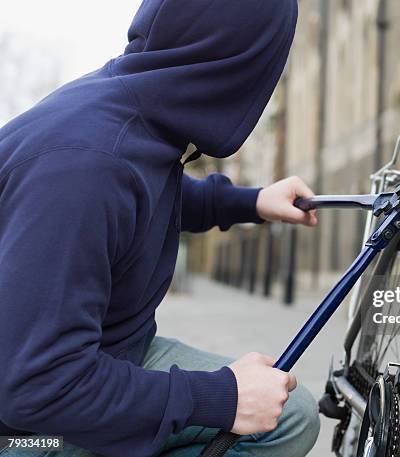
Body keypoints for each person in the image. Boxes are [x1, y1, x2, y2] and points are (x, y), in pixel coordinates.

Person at [0, 0, 320, 456]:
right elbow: (39, 386)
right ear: (240, 64)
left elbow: (142, 200)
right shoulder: (84, 166)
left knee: (289, 415)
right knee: (270, 421)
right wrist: (220, 399)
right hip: (26, 424)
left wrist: (250, 201)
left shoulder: (130, 108)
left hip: (108, 353)